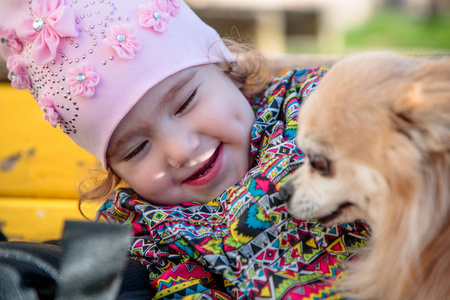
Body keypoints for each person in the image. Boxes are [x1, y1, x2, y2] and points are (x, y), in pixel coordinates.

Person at [0, 0, 370, 298]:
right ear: (115, 171)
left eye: (185, 102)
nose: (180, 150)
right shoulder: (150, 227)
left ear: (224, 66)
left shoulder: (312, 108)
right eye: (136, 149)